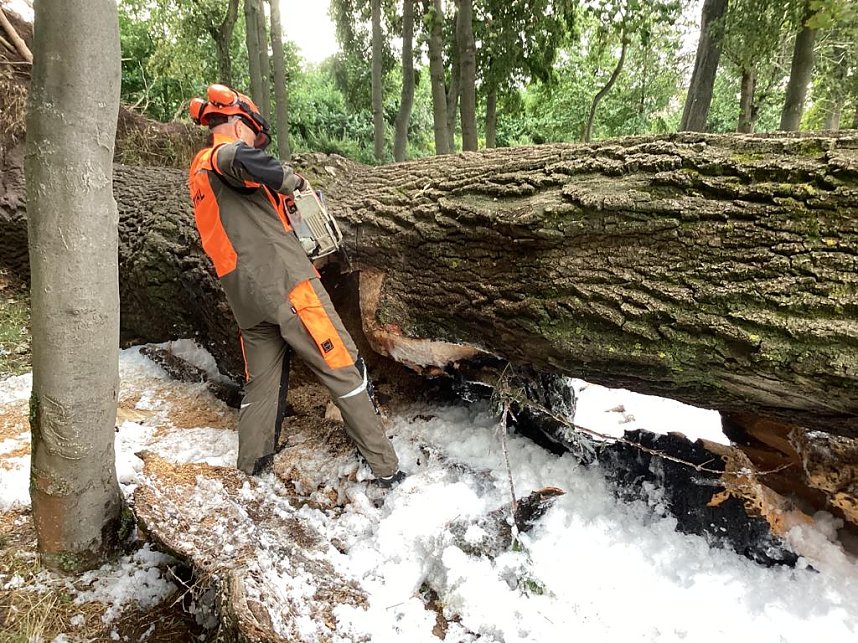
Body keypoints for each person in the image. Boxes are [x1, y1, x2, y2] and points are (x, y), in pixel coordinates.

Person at [187, 83, 404, 487]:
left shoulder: (199, 177)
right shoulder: (222, 155)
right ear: (237, 124)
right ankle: (386, 468)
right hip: (284, 283)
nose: (254, 142)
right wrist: (292, 181)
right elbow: (244, 160)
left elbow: (247, 219)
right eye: (253, 134)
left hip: (245, 297)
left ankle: (252, 471)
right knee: (343, 363)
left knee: (262, 383)